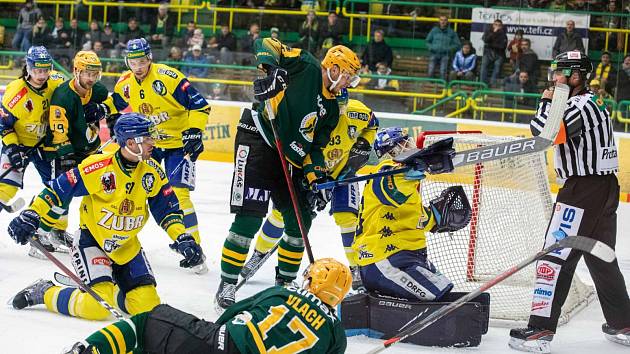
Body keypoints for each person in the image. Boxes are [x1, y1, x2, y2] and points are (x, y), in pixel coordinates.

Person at [7, 113, 203, 321]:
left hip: (127, 246)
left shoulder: (152, 171)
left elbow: (168, 212)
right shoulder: (98, 167)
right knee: (96, 309)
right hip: (92, 242)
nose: (152, 143)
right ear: (130, 142)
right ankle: (46, 292)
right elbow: (57, 190)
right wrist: (31, 214)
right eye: (147, 139)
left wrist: (183, 237)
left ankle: (107, 287)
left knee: (147, 309)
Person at [215, 39, 360, 311]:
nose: (348, 83)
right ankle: (227, 283)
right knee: (249, 217)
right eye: (348, 76)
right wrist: (271, 71)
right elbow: (266, 42)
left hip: (289, 159)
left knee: (299, 222)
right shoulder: (306, 66)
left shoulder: (331, 109)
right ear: (335, 68)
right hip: (259, 138)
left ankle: (284, 285)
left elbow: (315, 147)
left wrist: (317, 176)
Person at [509, 51, 630, 353]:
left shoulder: (580, 104)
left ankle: (539, 331)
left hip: (583, 189)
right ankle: (623, 322)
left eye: (560, 73)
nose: (553, 78)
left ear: (576, 77)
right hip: (602, 187)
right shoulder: (591, 101)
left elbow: (544, 134)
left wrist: (546, 101)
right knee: (601, 256)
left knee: (554, 255)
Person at [63, 258, 350, 354]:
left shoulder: (282, 294)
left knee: (146, 322)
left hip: (222, 346)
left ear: (313, 280)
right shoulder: (338, 334)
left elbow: (233, 314)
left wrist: (213, 334)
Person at [241, 99, 379, 291]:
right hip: (310, 174)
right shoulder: (308, 118)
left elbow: (373, 123)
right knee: (282, 214)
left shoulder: (357, 112)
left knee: (347, 218)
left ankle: (356, 267)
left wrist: (364, 144)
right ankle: (259, 253)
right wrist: (312, 185)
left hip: (343, 173)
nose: (336, 112)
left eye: (340, 106)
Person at [110, 38, 211, 273]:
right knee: (132, 189)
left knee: (179, 196)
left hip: (179, 146)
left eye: (142, 61)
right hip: (150, 146)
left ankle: (194, 249)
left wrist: (195, 132)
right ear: (127, 61)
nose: (138, 67)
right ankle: (118, 242)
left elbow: (200, 105)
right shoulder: (124, 82)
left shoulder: (169, 77)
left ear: (150, 58)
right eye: (133, 62)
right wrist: (112, 118)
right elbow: (113, 104)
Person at [352, 127, 471, 300]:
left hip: (408, 258)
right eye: (405, 141)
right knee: (434, 296)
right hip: (383, 259)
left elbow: (418, 218)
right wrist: (419, 168)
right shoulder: (384, 172)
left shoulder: (408, 190)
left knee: (444, 291)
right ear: (394, 149)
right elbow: (391, 189)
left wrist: (439, 217)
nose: (411, 144)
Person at [0, 46, 66, 255]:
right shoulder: (15, 93)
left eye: (45, 70)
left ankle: (54, 230)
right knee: (6, 188)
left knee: (60, 186)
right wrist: (12, 148)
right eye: (37, 70)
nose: (41, 75)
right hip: (19, 145)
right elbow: (4, 124)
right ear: (28, 67)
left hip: (45, 145)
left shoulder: (56, 81)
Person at [45, 50, 112, 248]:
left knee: (100, 191)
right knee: (60, 193)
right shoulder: (63, 96)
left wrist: (108, 112)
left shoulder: (97, 90)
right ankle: (43, 230)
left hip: (90, 150)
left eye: (94, 74)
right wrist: (66, 156)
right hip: (65, 150)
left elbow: (113, 102)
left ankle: (91, 232)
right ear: (76, 71)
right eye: (87, 74)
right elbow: (58, 132)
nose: (91, 78)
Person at [426, 15, 461, 80]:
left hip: (445, 55)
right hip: (434, 53)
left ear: (447, 21)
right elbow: (427, 41)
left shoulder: (451, 32)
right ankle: (430, 86)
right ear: (439, 21)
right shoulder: (434, 30)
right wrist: (431, 48)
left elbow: (457, 44)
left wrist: (448, 49)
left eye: (445, 20)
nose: (443, 22)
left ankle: (442, 86)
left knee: (443, 71)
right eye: (441, 20)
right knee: (430, 71)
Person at [480, 19, 507, 87]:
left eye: (499, 25)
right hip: (488, 53)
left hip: (499, 54)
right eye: (495, 24)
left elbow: (502, 46)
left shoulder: (503, 35)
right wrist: (493, 33)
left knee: (497, 67)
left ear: (501, 26)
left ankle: (492, 84)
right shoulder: (488, 32)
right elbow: (485, 40)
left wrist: (491, 44)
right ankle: (483, 84)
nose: (497, 26)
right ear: (493, 25)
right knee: (484, 66)